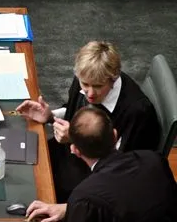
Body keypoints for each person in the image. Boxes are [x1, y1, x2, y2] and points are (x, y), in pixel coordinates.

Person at [16, 41, 160, 202]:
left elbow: (121, 168)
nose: (90, 94)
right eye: (85, 85)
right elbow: (74, 112)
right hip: (68, 154)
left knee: (33, 191)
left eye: (98, 86)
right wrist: (50, 117)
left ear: (113, 79)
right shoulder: (84, 78)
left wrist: (77, 140)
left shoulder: (137, 112)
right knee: (25, 158)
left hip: (93, 177)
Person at [25, 105, 177, 222]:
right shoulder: (154, 159)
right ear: (115, 135)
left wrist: (76, 209)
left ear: (75, 150)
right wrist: (70, 209)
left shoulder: (84, 197)